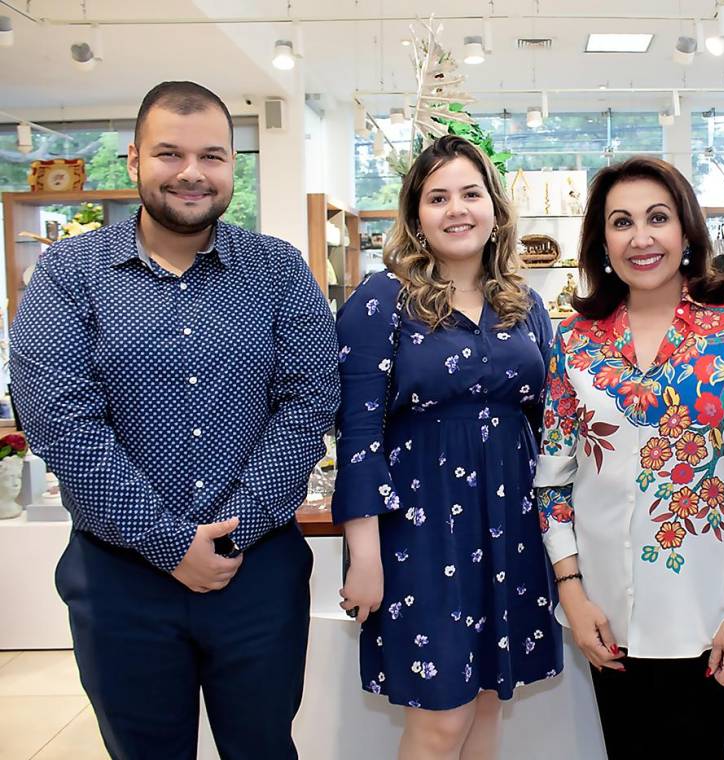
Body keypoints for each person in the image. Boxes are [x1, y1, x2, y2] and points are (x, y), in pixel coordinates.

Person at [9, 81, 339, 759]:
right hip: (119, 576)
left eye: (212, 156)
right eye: (169, 153)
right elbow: (60, 421)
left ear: (231, 167)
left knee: (264, 749)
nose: (192, 172)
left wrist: (232, 533)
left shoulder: (278, 270)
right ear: (133, 160)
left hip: (257, 574)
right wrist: (165, 542)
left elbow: (309, 403)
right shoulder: (70, 272)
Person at [536, 156, 724, 759]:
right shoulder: (575, 342)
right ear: (602, 242)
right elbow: (552, 483)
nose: (641, 237)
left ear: (686, 231)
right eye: (621, 222)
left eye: (658, 217)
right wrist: (571, 593)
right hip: (605, 619)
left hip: (708, 615)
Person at [334, 134, 562, 760]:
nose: (457, 209)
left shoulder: (525, 304)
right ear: (414, 215)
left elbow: (551, 426)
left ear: (495, 207)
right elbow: (356, 434)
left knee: (487, 707)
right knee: (439, 724)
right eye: (438, 197)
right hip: (419, 534)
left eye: (470, 193)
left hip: (510, 528)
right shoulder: (381, 301)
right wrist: (365, 556)